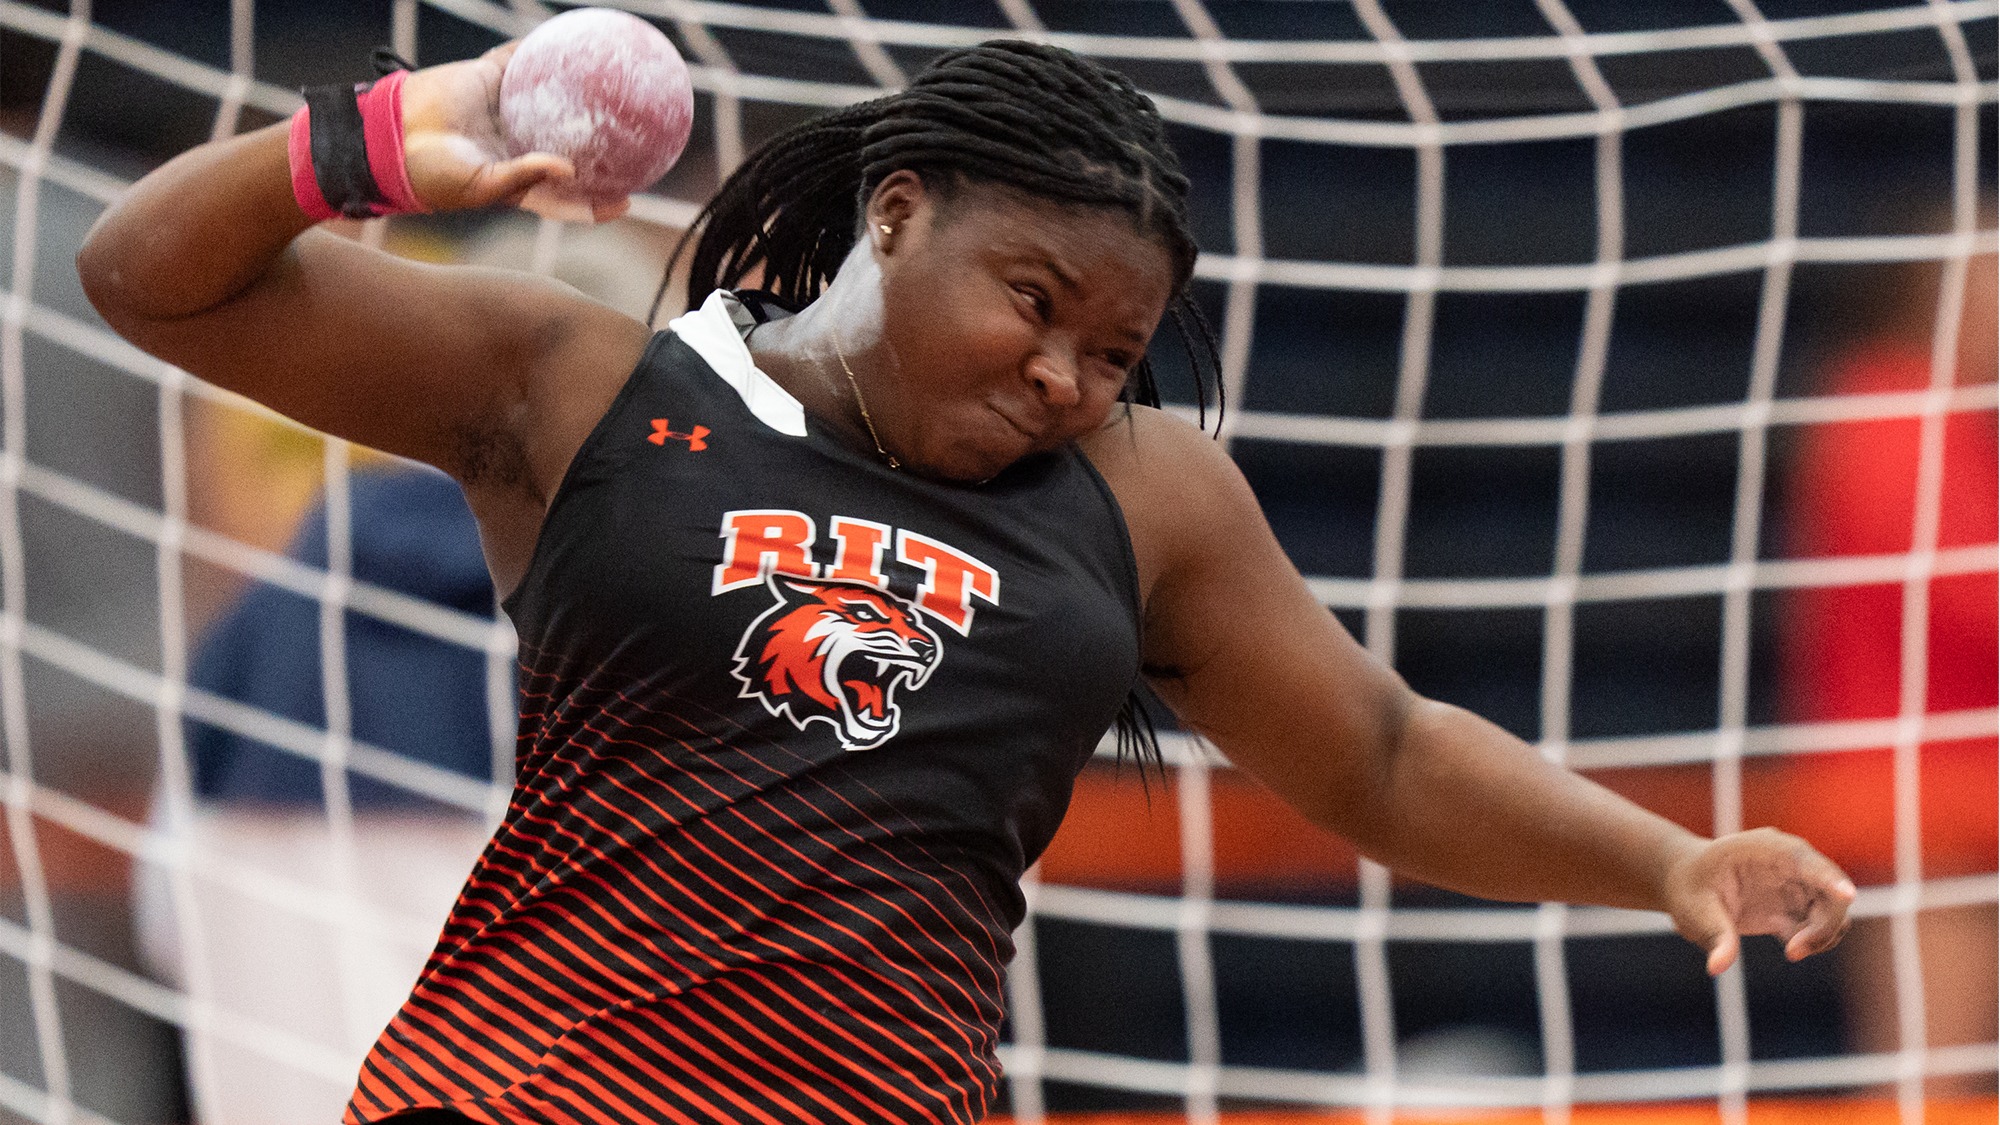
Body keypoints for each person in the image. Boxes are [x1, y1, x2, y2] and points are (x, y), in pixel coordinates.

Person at [77, 38, 1855, 1125]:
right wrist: (384, 142)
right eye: (1035, 302)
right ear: (899, 213)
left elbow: (1380, 754)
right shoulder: (595, 388)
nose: (1072, 373)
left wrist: (1666, 861)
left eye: (1119, 344)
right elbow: (148, 277)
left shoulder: (1141, 496)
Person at [1775, 237, 1996, 1093]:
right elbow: (1972, 592)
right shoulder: (1893, 414)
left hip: (1950, 784)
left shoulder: (1930, 416)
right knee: (1930, 1074)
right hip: (1924, 795)